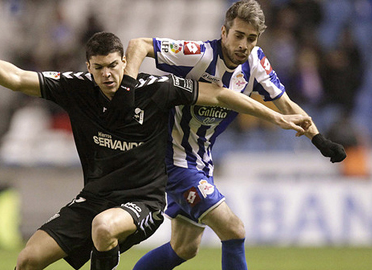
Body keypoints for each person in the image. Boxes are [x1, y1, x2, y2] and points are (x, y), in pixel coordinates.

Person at [0, 25, 311, 270]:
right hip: (93, 197)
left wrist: (274, 115)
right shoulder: (77, 87)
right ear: (89, 66)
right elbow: (17, 78)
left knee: (104, 228)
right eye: (99, 67)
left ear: (123, 63)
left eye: (114, 66)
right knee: (27, 261)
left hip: (143, 200)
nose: (107, 74)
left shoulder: (156, 89)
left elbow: (217, 93)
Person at [125, 1, 346, 270]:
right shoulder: (199, 55)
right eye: (238, 35)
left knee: (185, 248)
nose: (244, 44)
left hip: (201, 161)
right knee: (234, 230)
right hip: (174, 160)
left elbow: (287, 106)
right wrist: (127, 88)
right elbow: (139, 45)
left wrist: (319, 141)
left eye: (251, 38)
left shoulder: (255, 63)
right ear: (224, 32)